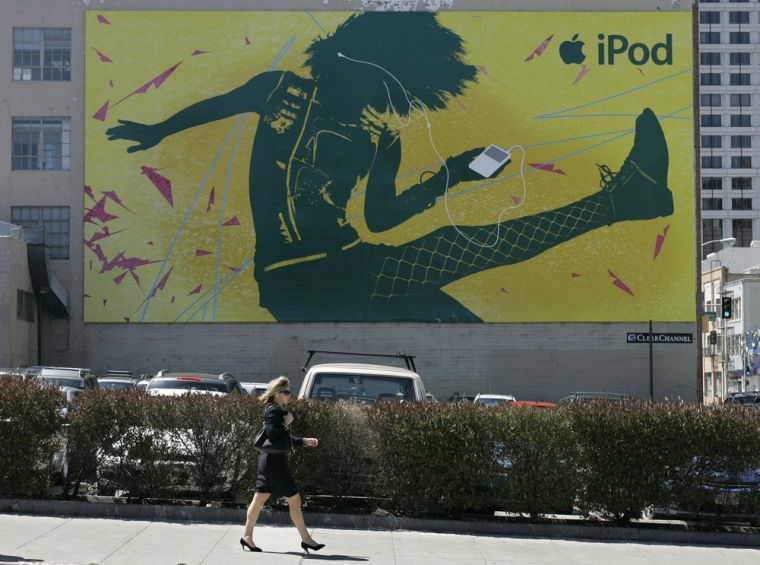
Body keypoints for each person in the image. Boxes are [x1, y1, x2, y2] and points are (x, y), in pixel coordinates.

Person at [106, 12, 673, 322]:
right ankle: (622, 202)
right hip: (301, 278)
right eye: (384, 85)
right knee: (458, 246)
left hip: (353, 267)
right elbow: (218, 106)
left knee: (460, 319)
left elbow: (381, 218)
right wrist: (156, 131)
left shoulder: (379, 138)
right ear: (352, 65)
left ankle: (625, 201)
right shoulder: (280, 91)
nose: (386, 100)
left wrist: (455, 174)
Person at [240, 376, 324, 554]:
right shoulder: (274, 411)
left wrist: (304, 441)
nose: (289, 395)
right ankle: (306, 539)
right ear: (277, 394)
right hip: (275, 464)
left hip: (271, 460)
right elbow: (272, 434)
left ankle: (247, 537)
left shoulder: (277, 410)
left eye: (288, 391)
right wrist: (287, 422)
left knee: (259, 500)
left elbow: (281, 440)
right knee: (294, 499)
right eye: (285, 392)